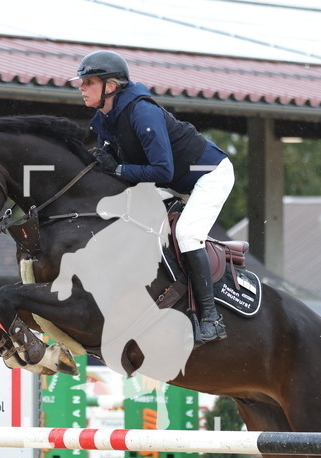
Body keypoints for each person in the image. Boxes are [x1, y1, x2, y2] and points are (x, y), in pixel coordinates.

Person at [73, 49, 235, 346]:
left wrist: (120, 168)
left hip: (207, 175)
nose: (81, 88)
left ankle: (211, 318)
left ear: (110, 87)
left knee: (186, 235)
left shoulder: (141, 112)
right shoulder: (103, 118)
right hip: (172, 180)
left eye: (88, 83)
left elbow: (162, 169)